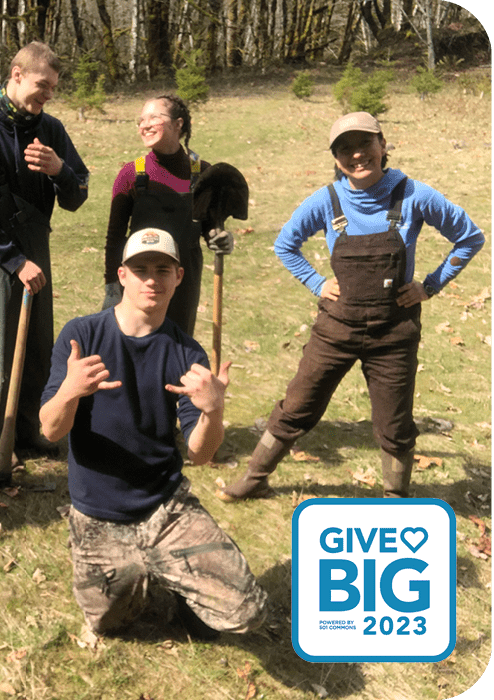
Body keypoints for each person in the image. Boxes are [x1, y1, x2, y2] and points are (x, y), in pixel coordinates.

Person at [219, 112, 485, 503]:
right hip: (336, 329)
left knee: (394, 424)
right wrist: (315, 282)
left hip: (394, 333)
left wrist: (429, 286)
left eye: (365, 144)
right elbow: (284, 245)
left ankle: (395, 498)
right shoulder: (325, 201)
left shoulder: (414, 195)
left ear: (383, 146)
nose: (357, 155)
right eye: (346, 148)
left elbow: (470, 238)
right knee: (297, 405)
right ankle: (256, 477)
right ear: (335, 156)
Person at [40, 228, 268, 638]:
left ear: (179, 276)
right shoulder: (82, 336)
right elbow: (50, 428)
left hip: (166, 507)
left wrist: (213, 411)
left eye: (162, 269)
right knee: (110, 623)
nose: (151, 279)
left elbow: (200, 454)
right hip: (98, 513)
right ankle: (147, 574)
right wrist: (71, 390)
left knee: (245, 613)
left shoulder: (186, 353)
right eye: (140, 269)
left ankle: (180, 584)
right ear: (121, 275)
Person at [0, 41, 89, 471]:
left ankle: (29, 430)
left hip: (36, 247)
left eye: (53, 88)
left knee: (36, 344)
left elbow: (78, 194)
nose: (47, 95)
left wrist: (59, 171)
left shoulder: (51, 131)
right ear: (16, 74)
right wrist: (15, 261)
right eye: (41, 85)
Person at [102, 95, 242, 336]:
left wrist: (220, 238)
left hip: (183, 279)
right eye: (141, 120)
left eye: (154, 117)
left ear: (178, 124)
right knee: (135, 343)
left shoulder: (202, 173)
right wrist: (112, 288)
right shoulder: (131, 174)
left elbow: (209, 227)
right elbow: (115, 237)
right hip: (140, 277)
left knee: (176, 345)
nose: (145, 125)